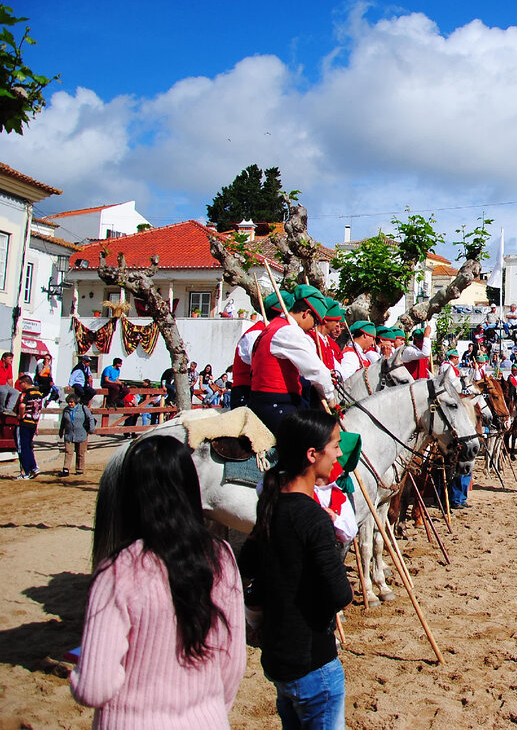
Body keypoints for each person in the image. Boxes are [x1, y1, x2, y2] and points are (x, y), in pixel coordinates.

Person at [71, 435, 245, 726]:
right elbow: (233, 664)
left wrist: (79, 677)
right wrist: (209, 709)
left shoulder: (117, 572)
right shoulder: (223, 557)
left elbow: (93, 687)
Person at [238, 410, 353, 728]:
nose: (339, 453)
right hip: (313, 662)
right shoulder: (313, 518)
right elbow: (340, 594)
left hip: (278, 659)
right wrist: (329, 542)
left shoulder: (270, 504)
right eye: (335, 445)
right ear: (312, 454)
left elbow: (247, 563)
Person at [249, 286, 336, 434]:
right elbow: (317, 371)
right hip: (277, 402)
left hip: (265, 399)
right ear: (306, 313)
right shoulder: (289, 331)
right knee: (314, 441)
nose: (313, 328)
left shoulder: (274, 326)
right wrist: (331, 398)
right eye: (315, 322)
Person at [58, 391, 95, 477]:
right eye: (68, 402)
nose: (70, 404)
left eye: (71, 402)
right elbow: (63, 422)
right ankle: (66, 469)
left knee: (80, 453)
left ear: (76, 402)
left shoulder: (83, 408)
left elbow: (90, 418)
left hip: (81, 434)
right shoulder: (66, 410)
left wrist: (91, 429)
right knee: (68, 451)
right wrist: (61, 431)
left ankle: (80, 469)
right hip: (69, 434)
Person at [14, 375, 43, 479]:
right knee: (29, 446)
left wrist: (21, 416)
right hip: (33, 422)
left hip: (24, 422)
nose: (20, 386)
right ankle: (34, 467)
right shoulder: (39, 394)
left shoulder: (26, 393)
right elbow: (38, 410)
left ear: (25, 383)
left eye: (20, 383)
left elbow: (22, 406)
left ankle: (26, 472)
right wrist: (36, 425)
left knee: (22, 447)